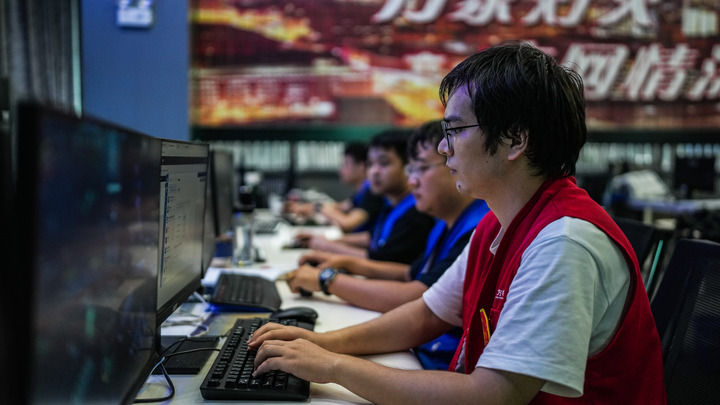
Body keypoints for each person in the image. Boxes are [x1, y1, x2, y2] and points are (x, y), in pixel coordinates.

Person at [248, 43, 666, 404]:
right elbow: (425, 315)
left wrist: (334, 367)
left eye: (455, 130)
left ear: (515, 140)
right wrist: (319, 343)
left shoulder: (563, 242)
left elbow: (494, 395)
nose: (444, 149)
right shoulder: (499, 224)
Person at [287, 120, 489, 369]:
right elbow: (409, 273)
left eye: (421, 168)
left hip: (438, 363)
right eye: (410, 170)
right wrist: (347, 263)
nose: (412, 181)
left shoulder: (478, 228)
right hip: (423, 352)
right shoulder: (443, 223)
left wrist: (327, 280)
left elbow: (419, 298)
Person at [296, 129, 436, 264]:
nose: (374, 171)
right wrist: (326, 242)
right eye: (370, 164)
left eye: (384, 163)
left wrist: (328, 246)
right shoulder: (390, 203)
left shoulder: (416, 211)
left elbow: (383, 262)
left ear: (408, 167)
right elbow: (373, 237)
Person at [285, 142, 385, 233]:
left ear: (361, 166)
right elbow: (341, 207)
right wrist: (304, 208)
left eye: (345, 164)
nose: (341, 170)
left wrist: (319, 208)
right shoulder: (362, 192)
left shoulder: (372, 192)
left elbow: (347, 223)